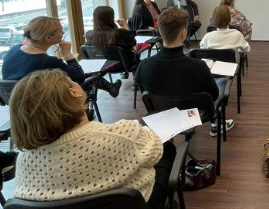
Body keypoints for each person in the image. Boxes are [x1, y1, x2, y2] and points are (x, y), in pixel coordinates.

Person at [10, 69, 174, 209]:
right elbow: (154, 151)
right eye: (73, 82)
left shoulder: (25, 161)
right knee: (166, 147)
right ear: (73, 92)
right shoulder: (123, 133)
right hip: (136, 203)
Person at [135, 7, 234, 137]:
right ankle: (216, 123)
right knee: (222, 82)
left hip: (162, 113)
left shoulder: (144, 66)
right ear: (183, 33)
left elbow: (144, 91)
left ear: (160, 31)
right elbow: (214, 95)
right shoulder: (198, 66)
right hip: (195, 114)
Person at [2, 16, 121, 97]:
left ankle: (110, 88)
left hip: (17, 105)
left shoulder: (13, 50)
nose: (63, 33)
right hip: (45, 105)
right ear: (48, 38)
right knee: (85, 78)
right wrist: (67, 54)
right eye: (60, 30)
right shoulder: (47, 61)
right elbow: (79, 78)